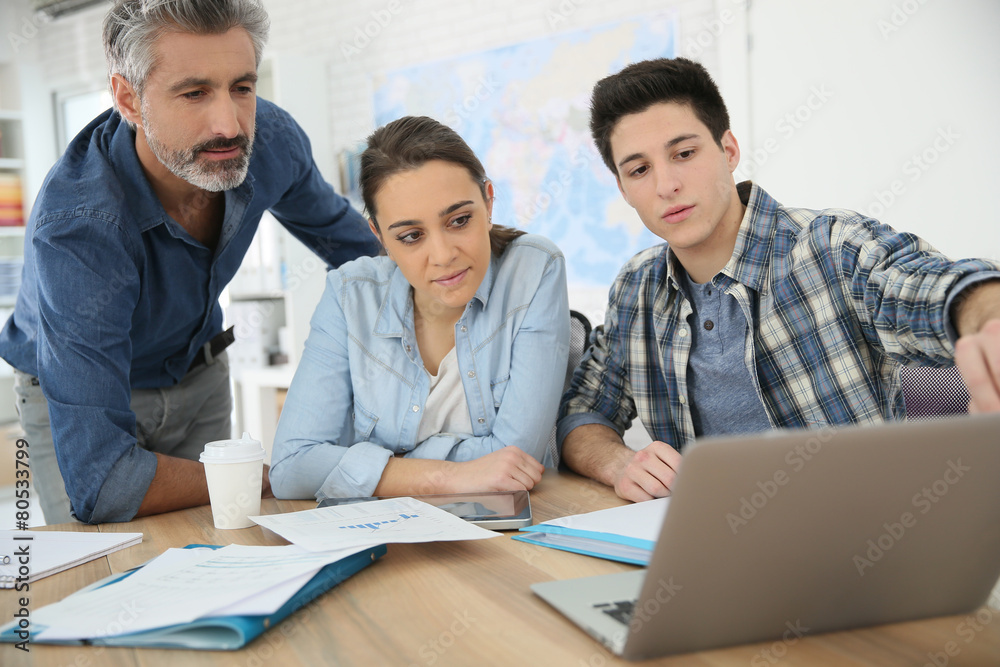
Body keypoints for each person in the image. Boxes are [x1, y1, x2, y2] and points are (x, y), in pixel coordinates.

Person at [0, 0, 377, 525]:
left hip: (199, 375)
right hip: (78, 394)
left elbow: (362, 255)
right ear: (128, 99)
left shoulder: (270, 141)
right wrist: (274, 477)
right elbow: (104, 482)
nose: (229, 124)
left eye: (241, 87)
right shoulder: (79, 226)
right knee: (107, 564)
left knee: (220, 549)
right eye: (194, 93)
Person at [559, 57, 1000, 503]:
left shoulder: (833, 246)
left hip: (861, 531)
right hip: (706, 535)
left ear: (729, 151)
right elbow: (583, 409)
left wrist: (988, 313)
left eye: (684, 154)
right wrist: (618, 463)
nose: (666, 185)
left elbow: (934, 289)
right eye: (639, 170)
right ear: (623, 189)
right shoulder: (636, 288)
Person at [269, 116, 569, 500]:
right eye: (411, 236)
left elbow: (517, 459)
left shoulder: (533, 268)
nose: (443, 256)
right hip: (387, 529)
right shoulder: (349, 295)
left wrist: (370, 467)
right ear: (380, 236)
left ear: (489, 201)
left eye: (459, 220)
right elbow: (291, 468)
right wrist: (442, 477)